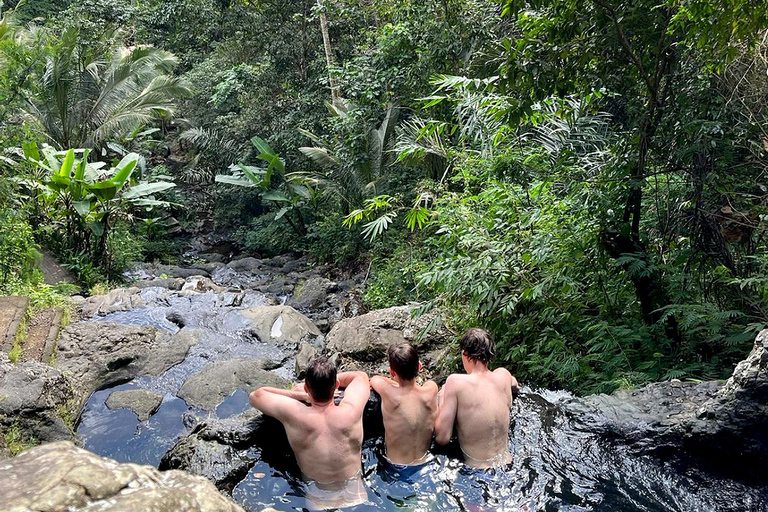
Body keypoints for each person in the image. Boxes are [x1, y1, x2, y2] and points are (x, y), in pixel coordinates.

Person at [249, 356, 370, 509]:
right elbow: (360, 376)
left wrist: (299, 394)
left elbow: (257, 395)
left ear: (307, 388)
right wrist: (326, 381)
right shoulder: (352, 409)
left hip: (319, 504)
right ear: (336, 385)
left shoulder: (296, 415)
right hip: (357, 500)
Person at [434, 328, 520, 469]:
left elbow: (442, 438)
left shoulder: (455, 382)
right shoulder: (504, 375)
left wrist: (443, 396)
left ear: (465, 354)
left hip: (476, 473)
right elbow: (515, 385)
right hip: (508, 466)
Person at [371, 342, 438, 477]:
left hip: (395, 469)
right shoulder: (431, 390)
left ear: (392, 372)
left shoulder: (390, 394)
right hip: (426, 467)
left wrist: (393, 382)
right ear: (419, 367)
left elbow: (375, 379)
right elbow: (427, 385)